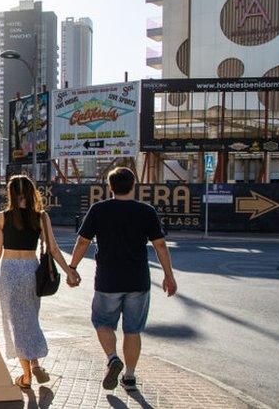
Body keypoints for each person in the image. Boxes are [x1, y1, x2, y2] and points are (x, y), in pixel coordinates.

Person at [68, 167, 177, 393]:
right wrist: (168, 274)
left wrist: (72, 267)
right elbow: (160, 245)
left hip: (108, 280)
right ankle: (129, 376)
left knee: (103, 323)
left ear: (110, 187)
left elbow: (82, 242)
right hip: (138, 281)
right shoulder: (146, 211)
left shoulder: (99, 209)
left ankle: (112, 358)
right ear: (133, 185)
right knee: (133, 330)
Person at [0, 175, 79, 390]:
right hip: (31, 271)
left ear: (10, 194)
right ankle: (34, 364)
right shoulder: (41, 217)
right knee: (29, 319)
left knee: (16, 323)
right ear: (31, 192)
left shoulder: (1, 217)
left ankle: (26, 376)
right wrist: (69, 272)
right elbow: (53, 249)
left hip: (9, 271)